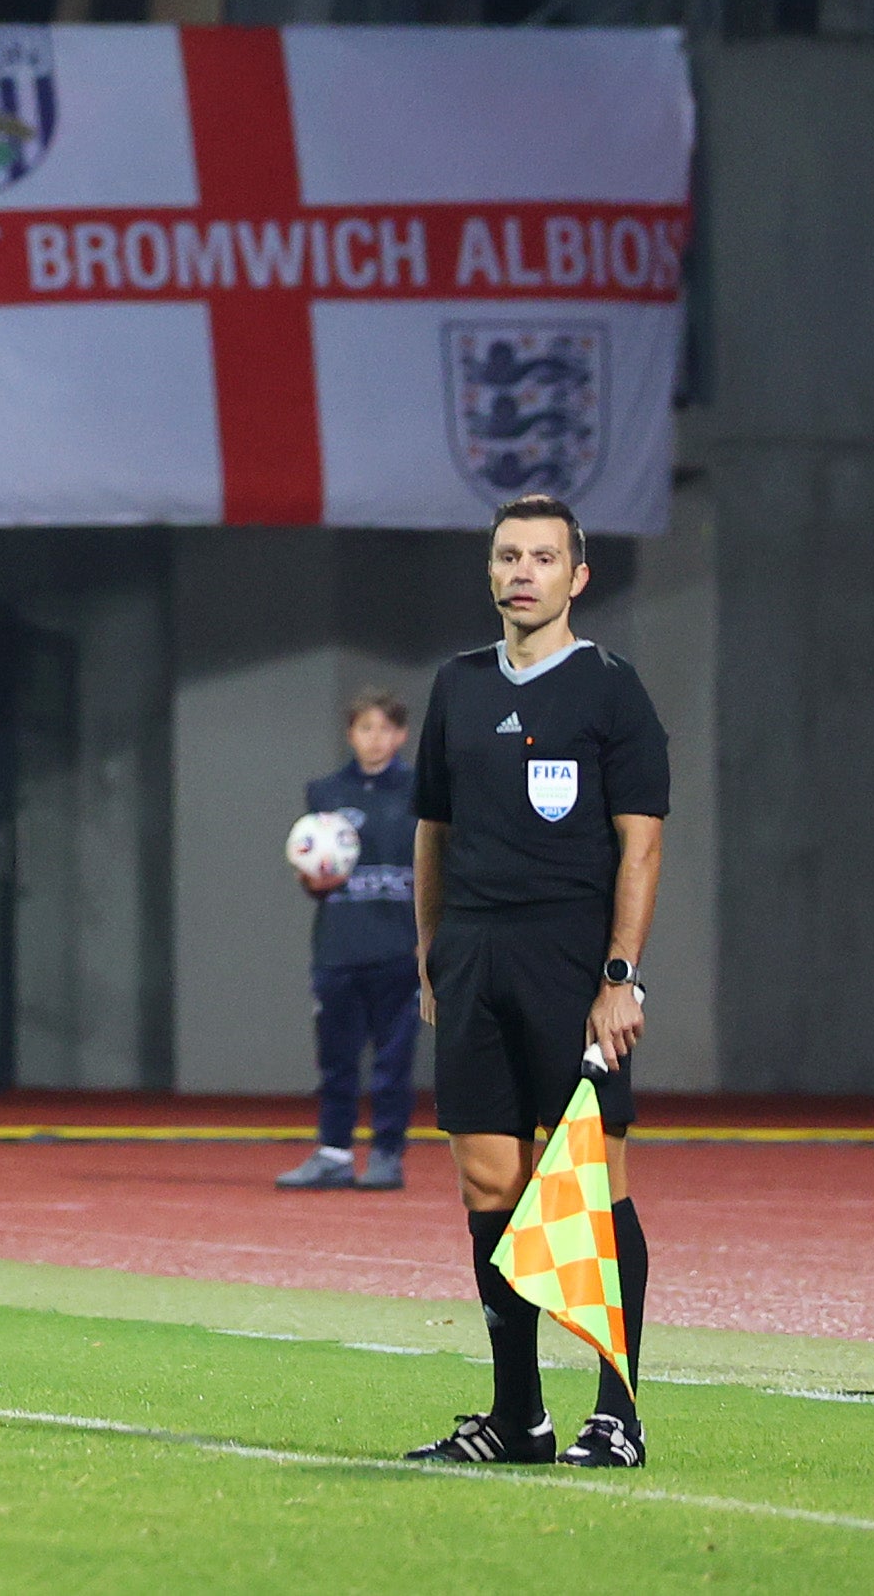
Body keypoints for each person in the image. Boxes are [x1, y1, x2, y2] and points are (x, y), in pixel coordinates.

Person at [405, 496, 666, 1469]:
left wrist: (620, 974)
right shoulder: (457, 683)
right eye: (509, 554)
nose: (524, 570)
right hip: (473, 953)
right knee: (490, 1180)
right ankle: (519, 1415)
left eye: (543, 556)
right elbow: (432, 825)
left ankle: (618, 1410)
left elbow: (641, 843)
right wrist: (431, 949)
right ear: (491, 570)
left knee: (590, 1183)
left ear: (577, 575)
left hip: (570, 957)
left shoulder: (610, 689)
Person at [275, 689, 419, 1190]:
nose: (374, 739)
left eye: (384, 729)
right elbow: (312, 873)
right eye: (364, 729)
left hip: (400, 949)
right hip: (338, 949)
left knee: (392, 1061)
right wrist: (311, 879)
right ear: (350, 734)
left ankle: (386, 1153)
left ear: (400, 735)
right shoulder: (325, 792)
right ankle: (333, 1152)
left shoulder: (422, 790)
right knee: (336, 1058)